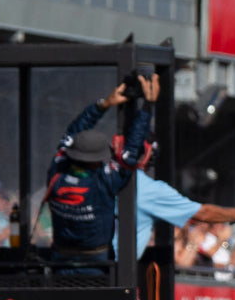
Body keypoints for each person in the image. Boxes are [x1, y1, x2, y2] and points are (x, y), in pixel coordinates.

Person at [46, 72, 156, 268]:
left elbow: (72, 133)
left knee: (62, 299)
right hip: (95, 262)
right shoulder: (106, 179)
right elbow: (131, 148)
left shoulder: (57, 169)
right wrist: (147, 106)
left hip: (60, 259)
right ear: (97, 160)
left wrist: (103, 104)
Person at [116, 141, 235, 260]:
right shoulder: (148, 189)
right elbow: (203, 213)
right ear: (147, 156)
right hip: (116, 269)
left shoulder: (104, 176)